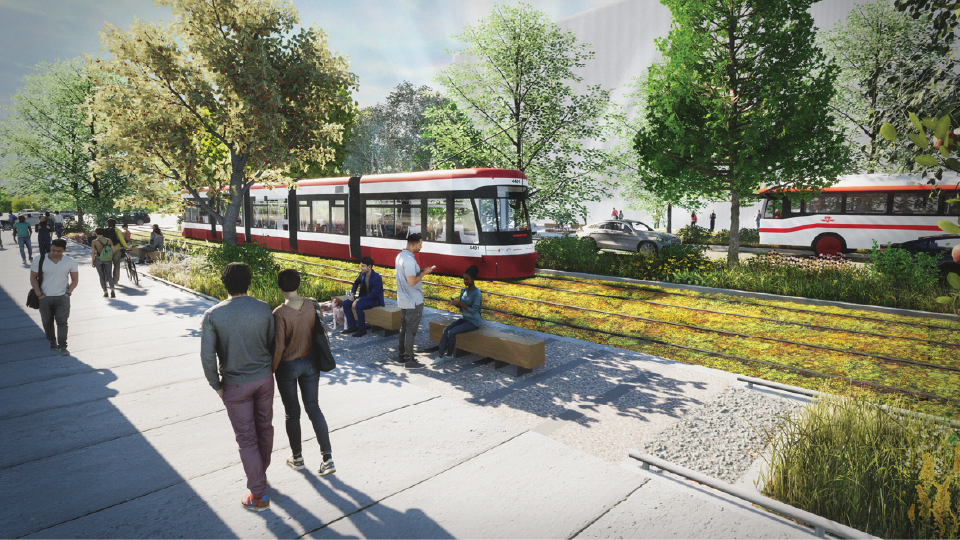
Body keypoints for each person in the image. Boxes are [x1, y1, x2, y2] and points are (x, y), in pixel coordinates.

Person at [200, 262, 276, 512]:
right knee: (265, 428)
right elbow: (272, 344)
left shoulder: (213, 315)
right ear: (249, 282)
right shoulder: (264, 309)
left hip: (235, 384)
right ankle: (260, 475)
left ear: (225, 284)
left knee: (246, 439)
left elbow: (208, 356)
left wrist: (216, 385)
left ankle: (259, 495)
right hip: (264, 379)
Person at [271, 269, 336, 476]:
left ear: (280, 287)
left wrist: (270, 370)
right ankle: (328, 458)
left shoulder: (279, 313)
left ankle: (297, 458)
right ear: (299, 284)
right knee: (314, 408)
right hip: (310, 363)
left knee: (292, 413)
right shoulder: (312, 304)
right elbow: (322, 330)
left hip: (288, 367)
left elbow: (279, 347)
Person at [30, 239, 79, 356]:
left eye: (59, 251)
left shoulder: (70, 262)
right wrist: (39, 294)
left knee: (62, 322)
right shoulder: (39, 260)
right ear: (50, 248)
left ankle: (63, 345)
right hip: (45, 297)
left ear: (64, 250)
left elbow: (75, 279)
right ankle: (52, 340)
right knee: (47, 321)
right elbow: (33, 278)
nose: (55, 253)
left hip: (62, 297)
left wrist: (68, 292)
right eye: (53, 250)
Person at [395, 233, 434, 369]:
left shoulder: (400, 256)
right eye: (420, 244)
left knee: (404, 329)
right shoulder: (410, 260)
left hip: (404, 299)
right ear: (413, 244)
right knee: (411, 331)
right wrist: (425, 273)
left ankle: (401, 356)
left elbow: (408, 277)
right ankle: (409, 360)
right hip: (413, 300)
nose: (421, 247)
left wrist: (421, 271)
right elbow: (411, 281)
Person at [433, 265, 483, 365]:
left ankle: (449, 355)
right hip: (465, 319)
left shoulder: (477, 293)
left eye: (467, 279)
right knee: (446, 330)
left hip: (474, 321)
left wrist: (460, 304)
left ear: (473, 279)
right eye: (463, 279)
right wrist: (456, 304)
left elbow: (473, 311)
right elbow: (462, 309)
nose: (465, 281)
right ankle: (439, 356)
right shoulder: (463, 291)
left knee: (452, 332)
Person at [341, 256, 385, 338]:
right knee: (345, 303)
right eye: (360, 265)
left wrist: (358, 300)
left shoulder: (377, 278)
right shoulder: (362, 274)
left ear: (369, 266)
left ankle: (362, 330)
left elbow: (373, 295)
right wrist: (352, 294)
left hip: (374, 300)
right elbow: (356, 283)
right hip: (364, 298)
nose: (360, 268)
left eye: (363, 266)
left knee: (358, 305)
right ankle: (353, 326)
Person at [91, 228, 116, 298]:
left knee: (101, 276)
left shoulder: (94, 241)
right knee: (109, 275)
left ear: (96, 233)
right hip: (108, 260)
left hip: (98, 259)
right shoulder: (109, 240)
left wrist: (93, 261)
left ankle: (105, 292)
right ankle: (112, 290)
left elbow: (93, 252)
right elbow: (113, 251)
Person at [106, 218, 128, 284]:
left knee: (107, 265)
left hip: (108, 249)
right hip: (116, 249)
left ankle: (107, 279)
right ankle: (115, 280)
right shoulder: (117, 230)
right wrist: (126, 246)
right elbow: (121, 239)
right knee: (116, 265)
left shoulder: (106, 230)